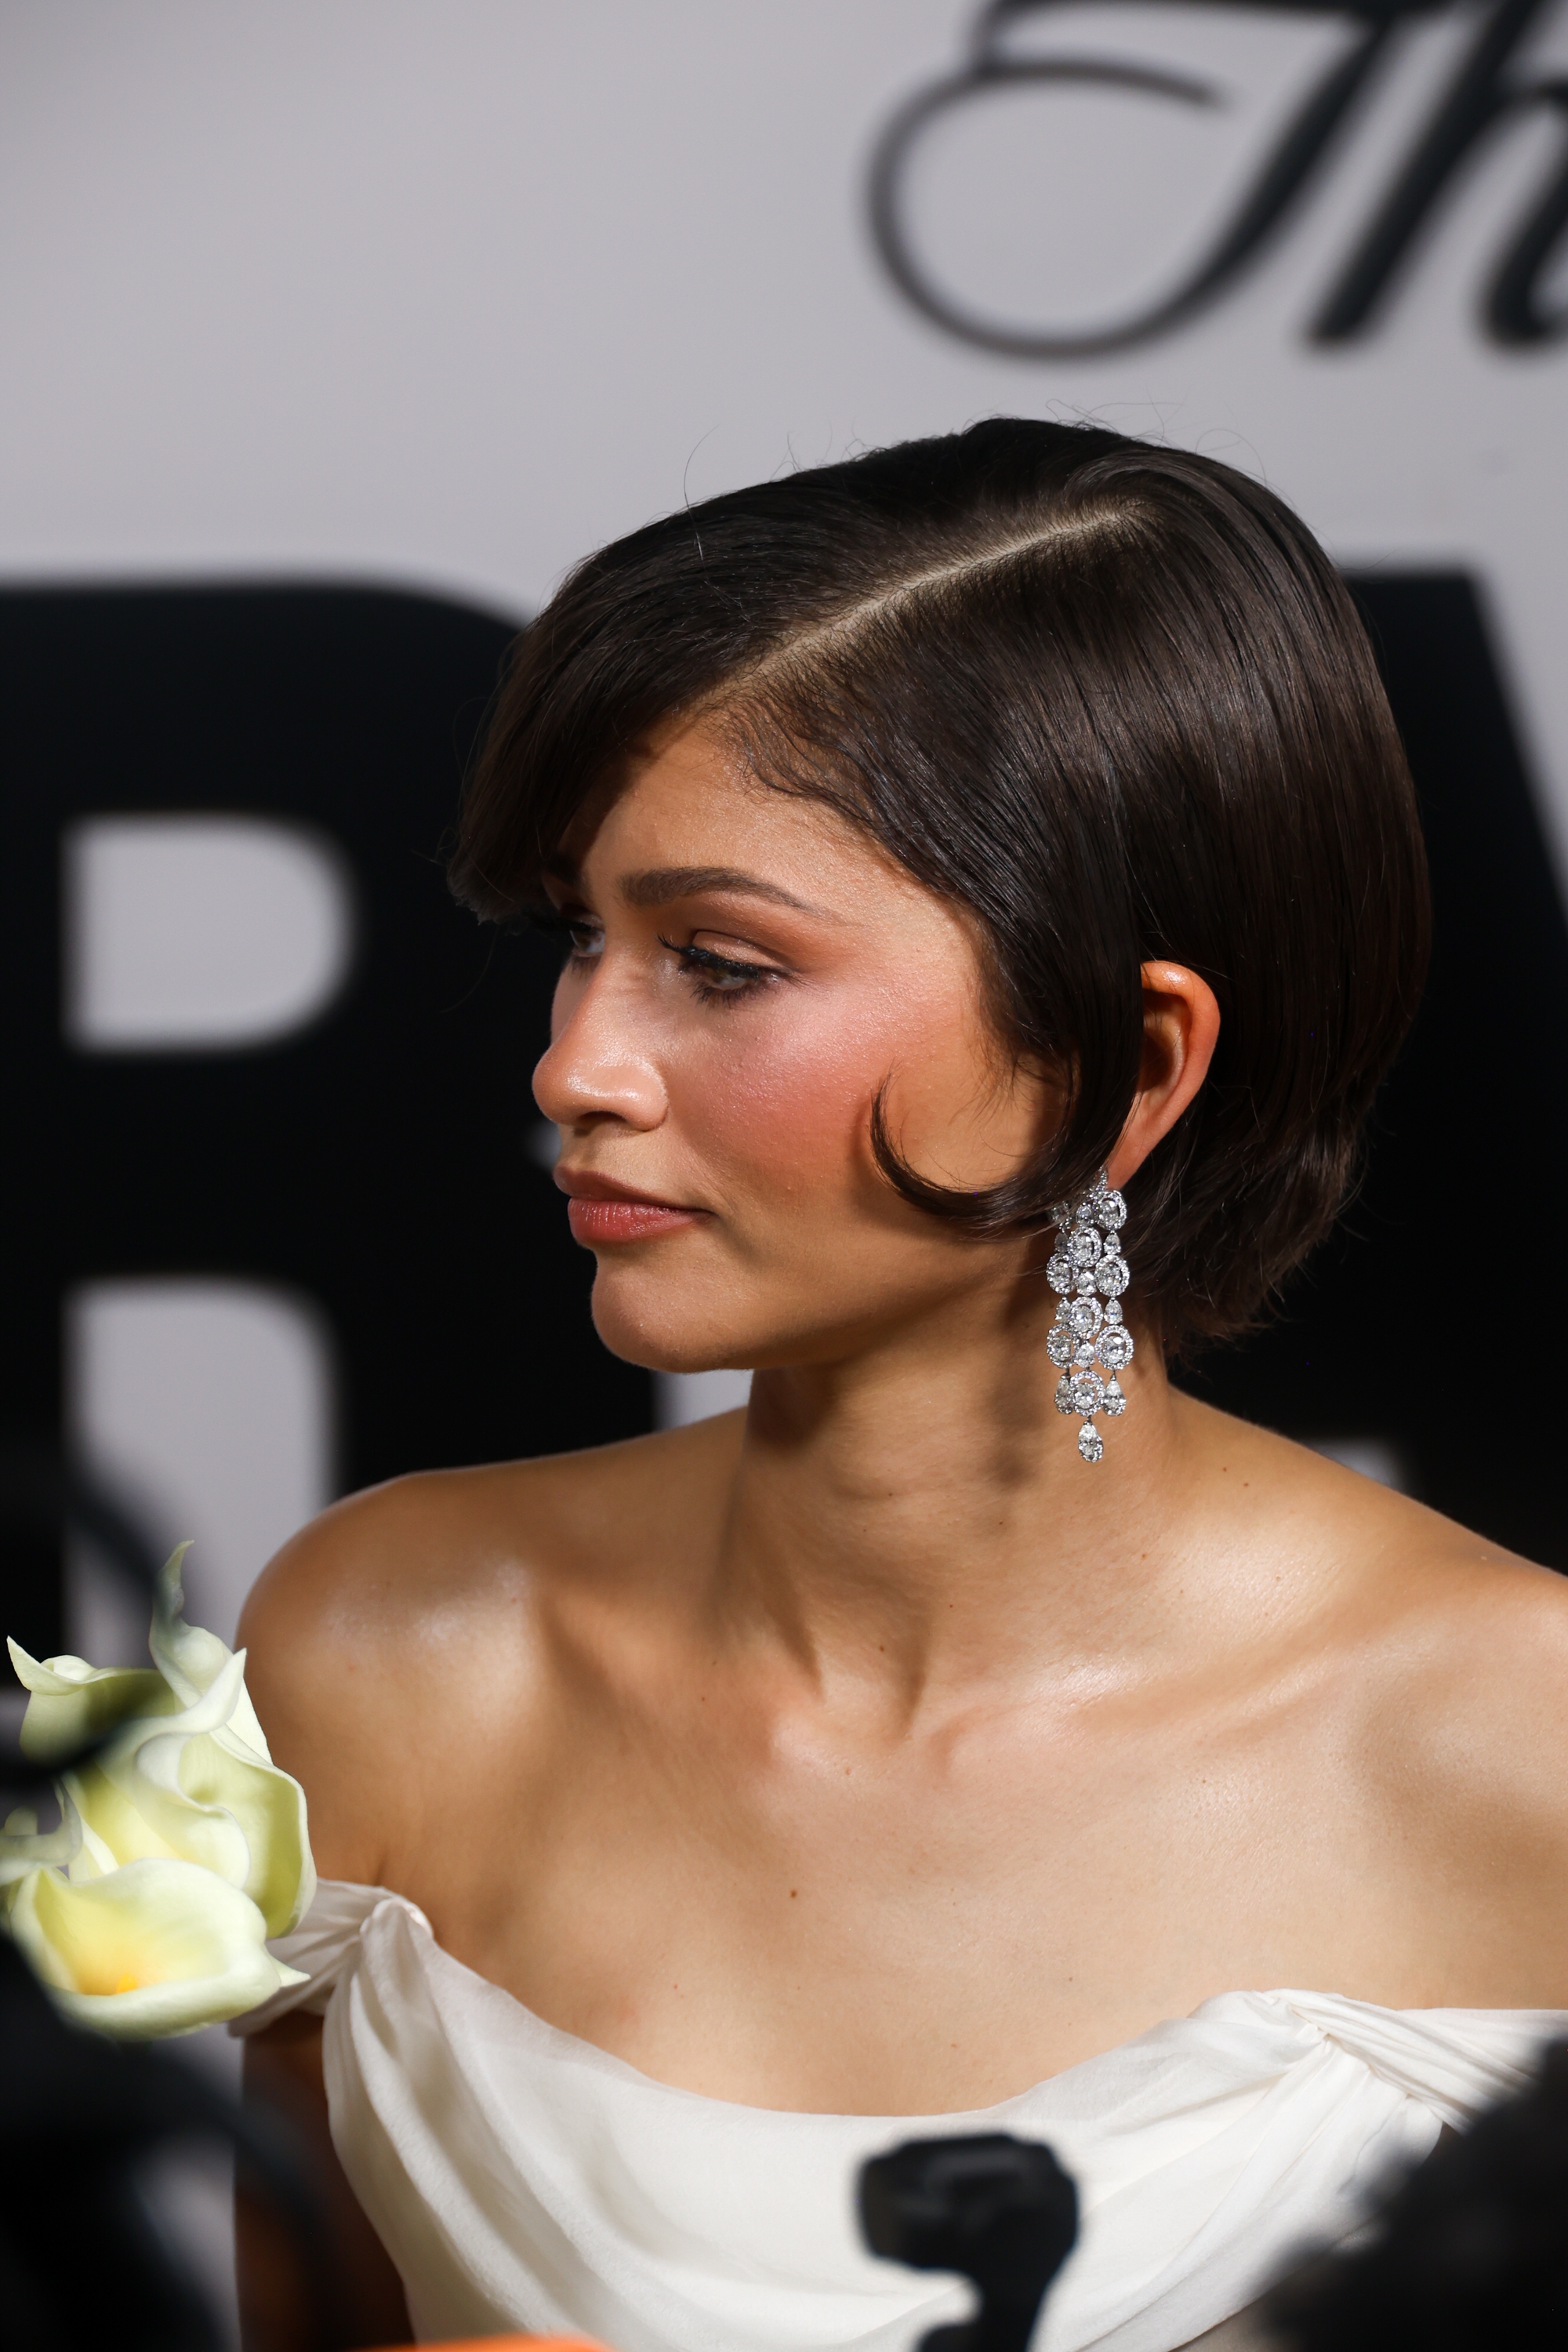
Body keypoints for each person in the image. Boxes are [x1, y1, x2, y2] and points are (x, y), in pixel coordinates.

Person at [234, 420, 1568, 2352]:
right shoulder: (386, 1655)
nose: (575, 1065)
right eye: (581, 939)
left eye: (718, 961)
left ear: (1129, 1064)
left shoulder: (1522, 1752)